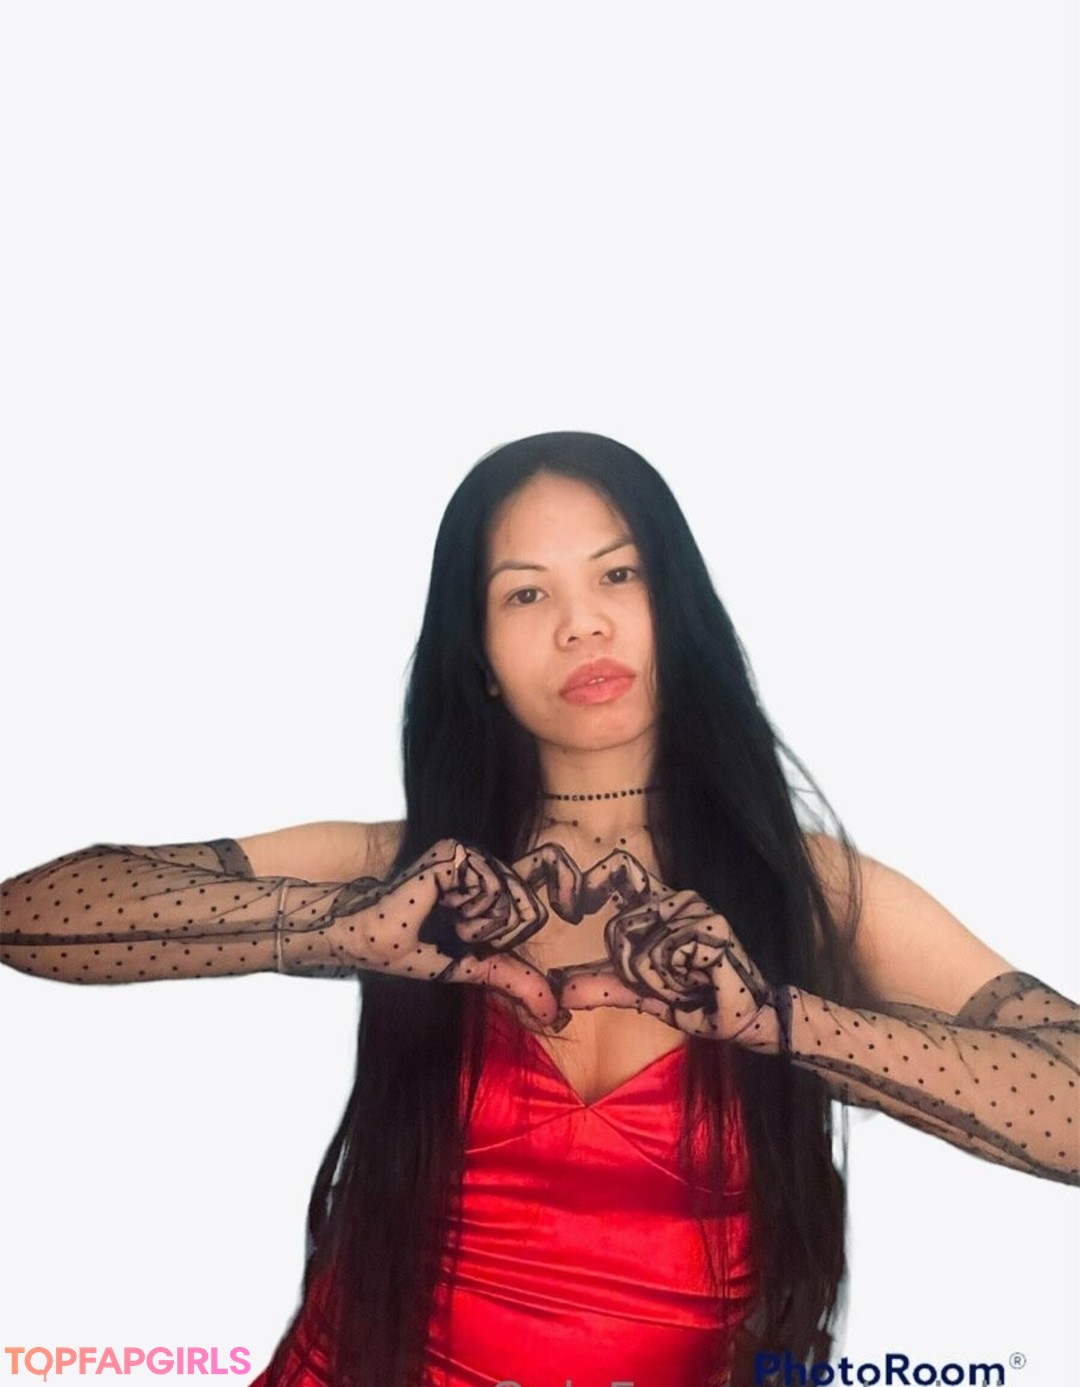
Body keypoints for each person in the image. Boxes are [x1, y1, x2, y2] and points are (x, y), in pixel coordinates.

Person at [2, 431, 1077, 1387]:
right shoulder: (407, 869)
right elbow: (28, 914)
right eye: (526, 594)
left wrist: (782, 1023)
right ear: (476, 655)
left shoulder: (813, 887)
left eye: (619, 572)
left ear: (679, 608)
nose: (581, 623)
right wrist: (331, 926)